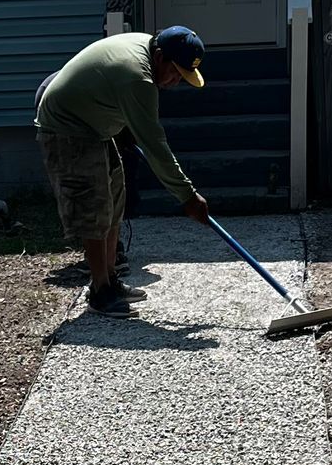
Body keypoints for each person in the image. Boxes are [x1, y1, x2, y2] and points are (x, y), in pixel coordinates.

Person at [34, 26, 214, 313]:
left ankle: (110, 280)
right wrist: (188, 196)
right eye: (176, 73)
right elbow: (155, 147)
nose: (175, 81)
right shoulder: (138, 77)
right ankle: (100, 292)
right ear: (160, 56)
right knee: (95, 209)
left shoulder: (147, 47)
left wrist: (125, 128)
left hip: (96, 126)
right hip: (68, 128)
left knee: (115, 201)